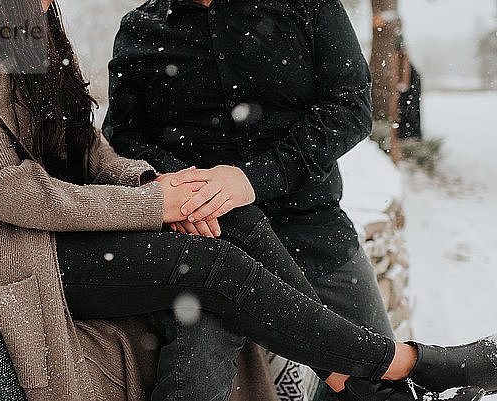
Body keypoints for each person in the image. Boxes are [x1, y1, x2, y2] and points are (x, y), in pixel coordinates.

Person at [0, 1, 496, 401]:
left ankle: (349, 369)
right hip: (30, 243)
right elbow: (26, 184)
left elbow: (349, 111)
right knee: (206, 310)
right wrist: (170, 198)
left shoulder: (305, 7)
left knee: (237, 231)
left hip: (303, 224)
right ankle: (394, 364)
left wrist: (213, 186)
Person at [101, 0, 489, 399]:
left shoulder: (308, 5)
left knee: (377, 372)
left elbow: (350, 107)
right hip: (206, 245)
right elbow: (124, 137)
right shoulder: (141, 29)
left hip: (312, 231)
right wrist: (188, 190)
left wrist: (250, 180)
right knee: (194, 386)